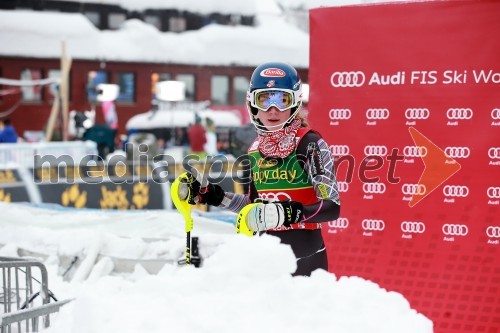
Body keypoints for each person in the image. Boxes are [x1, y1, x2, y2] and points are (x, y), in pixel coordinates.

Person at [178, 62, 340, 276]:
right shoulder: (255, 149)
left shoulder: (310, 144)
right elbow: (254, 208)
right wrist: (215, 197)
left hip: (306, 259)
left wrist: (291, 213)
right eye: (264, 100)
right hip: (265, 258)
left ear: (295, 102)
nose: (273, 111)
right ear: (252, 104)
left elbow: (332, 207)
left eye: (282, 100)